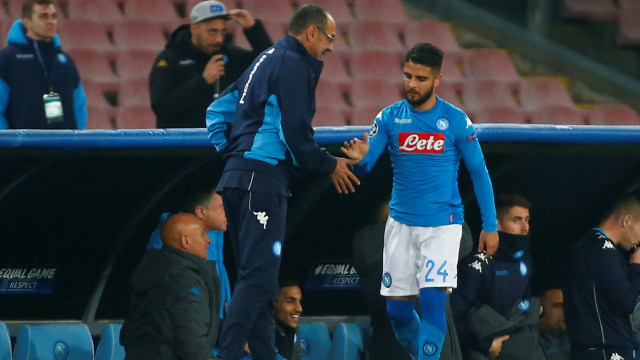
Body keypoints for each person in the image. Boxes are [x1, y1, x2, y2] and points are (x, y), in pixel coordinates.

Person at [206, 4, 360, 360]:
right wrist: (329, 164)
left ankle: (264, 354)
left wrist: (233, 157)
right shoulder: (292, 64)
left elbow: (216, 112)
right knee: (259, 279)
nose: (331, 47)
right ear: (311, 32)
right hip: (262, 181)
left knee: (258, 279)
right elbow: (294, 134)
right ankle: (226, 354)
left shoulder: (266, 59)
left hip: (240, 178)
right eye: (329, 38)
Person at [341, 42, 499, 360]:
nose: (412, 84)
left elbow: (479, 173)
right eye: (408, 76)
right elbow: (369, 161)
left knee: (430, 301)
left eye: (420, 78)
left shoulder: (455, 121)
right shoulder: (389, 117)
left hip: (443, 224)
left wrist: (490, 224)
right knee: (398, 313)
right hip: (400, 223)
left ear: (437, 80)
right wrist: (359, 159)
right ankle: (421, 352)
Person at [150, 0, 272, 128]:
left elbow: (270, 66)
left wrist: (253, 29)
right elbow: (163, 109)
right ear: (194, 29)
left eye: (223, 31)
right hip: (182, 144)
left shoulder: (230, 55)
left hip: (223, 144)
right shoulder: (169, 59)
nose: (219, 39)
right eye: (212, 31)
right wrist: (202, 81)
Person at [450, 194, 544, 360]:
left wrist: (531, 310)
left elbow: (524, 298)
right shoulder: (476, 266)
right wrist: (484, 345)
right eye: (516, 220)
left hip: (518, 346)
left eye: (527, 220)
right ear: (497, 224)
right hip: (485, 350)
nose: (524, 227)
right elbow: (452, 316)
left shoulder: (525, 259)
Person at [120, 213, 221, 360]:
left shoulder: (156, 270)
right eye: (202, 234)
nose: (209, 240)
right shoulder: (184, 280)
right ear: (186, 241)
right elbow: (192, 343)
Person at [563, 192, 640, 360]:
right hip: (605, 350)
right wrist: (636, 267)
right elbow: (626, 301)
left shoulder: (595, 247)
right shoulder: (601, 249)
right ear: (626, 221)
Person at [146, 188, 230, 323]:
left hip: (209, 332)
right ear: (201, 211)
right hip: (186, 333)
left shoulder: (215, 238)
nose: (229, 212)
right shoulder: (168, 241)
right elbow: (177, 302)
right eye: (222, 207)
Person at [0, 0, 87, 129]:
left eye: (54, 16)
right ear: (27, 22)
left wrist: (78, 141)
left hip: (65, 146)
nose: (50, 21)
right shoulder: (8, 59)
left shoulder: (65, 61)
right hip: (22, 147)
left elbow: (79, 108)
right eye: (43, 16)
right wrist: (6, 144)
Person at [273, 279, 303, 360]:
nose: (299, 309)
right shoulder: (255, 336)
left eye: (299, 302)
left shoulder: (293, 332)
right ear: (272, 304)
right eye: (290, 301)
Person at [538, 288, 570, 360]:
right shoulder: (529, 345)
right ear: (540, 311)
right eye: (559, 306)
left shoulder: (577, 339)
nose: (566, 310)